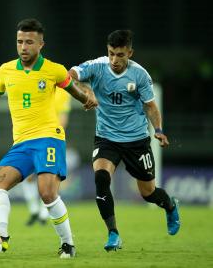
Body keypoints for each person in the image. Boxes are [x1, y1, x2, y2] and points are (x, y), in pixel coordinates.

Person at [0, 18, 97, 258]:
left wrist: (86, 98)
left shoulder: (53, 69)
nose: (23, 47)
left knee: (47, 192)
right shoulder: (6, 69)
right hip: (22, 142)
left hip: (48, 138)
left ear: (41, 44)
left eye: (29, 42)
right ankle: (0, 237)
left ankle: (68, 243)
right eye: (19, 42)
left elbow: (71, 88)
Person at [69, 29, 180, 252]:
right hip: (106, 138)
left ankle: (169, 205)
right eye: (111, 53)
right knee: (100, 178)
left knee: (148, 193)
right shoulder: (97, 66)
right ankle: (113, 233)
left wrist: (158, 129)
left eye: (120, 55)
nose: (114, 60)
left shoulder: (140, 75)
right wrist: (85, 89)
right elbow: (69, 75)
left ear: (130, 52)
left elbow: (150, 105)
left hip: (136, 140)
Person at [22, 88, 72, 226]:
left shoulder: (63, 92)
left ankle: (44, 214)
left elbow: (63, 118)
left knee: (51, 177)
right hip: (32, 136)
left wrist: (54, 138)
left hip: (51, 139)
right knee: (28, 176)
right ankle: (34, 211)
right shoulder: (35, 85)